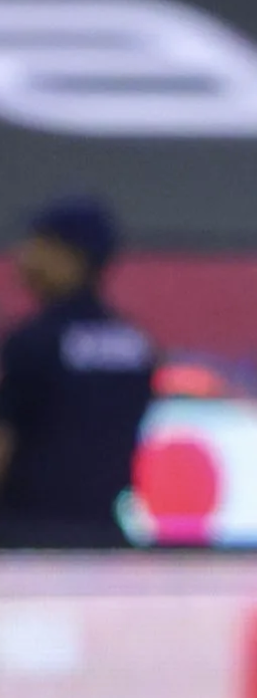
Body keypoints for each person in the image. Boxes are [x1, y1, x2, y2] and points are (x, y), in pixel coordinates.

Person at [0, 197, 158, 548]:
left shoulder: (33, 341)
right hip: (104, 534)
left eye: (38, 245)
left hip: (27, 535)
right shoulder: (136, 344)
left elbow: (6, 439)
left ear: (71, 256)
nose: (24, 257)